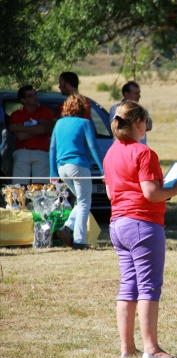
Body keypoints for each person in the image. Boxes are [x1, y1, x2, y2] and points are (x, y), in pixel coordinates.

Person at [103, 100, 177, 358]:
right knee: (149, 287)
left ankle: (127, 348)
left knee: (128, 286)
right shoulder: (143, 152)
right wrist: (176, 189)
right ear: (138, 123)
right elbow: (151, 193)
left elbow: (110, 192)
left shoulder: (110, 152)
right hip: (143, 224)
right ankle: (151, 348)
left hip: (118, 224)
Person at [50, 94, 104, 250]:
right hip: (79, 166)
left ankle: (67, 228)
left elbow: (52, 148)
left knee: (80, 201)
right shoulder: (85, 123)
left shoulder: (58, 123)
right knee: (84, 203)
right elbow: (93, 147)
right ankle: (79, 240)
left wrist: (53, 172)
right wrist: (103, 170)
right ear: (83, 109)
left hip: (62, 169)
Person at [8, 85, 54, 185]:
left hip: (41, 151)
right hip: (22, 151)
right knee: (19, 187)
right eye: (30, 96)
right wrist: (36, 128)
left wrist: (19, 127)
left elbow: (43, 129)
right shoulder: (16, 115)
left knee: (40, 187)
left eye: (35, 94)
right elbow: (21, 136)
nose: (35, 97)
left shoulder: (45, 111)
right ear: (23, 100)